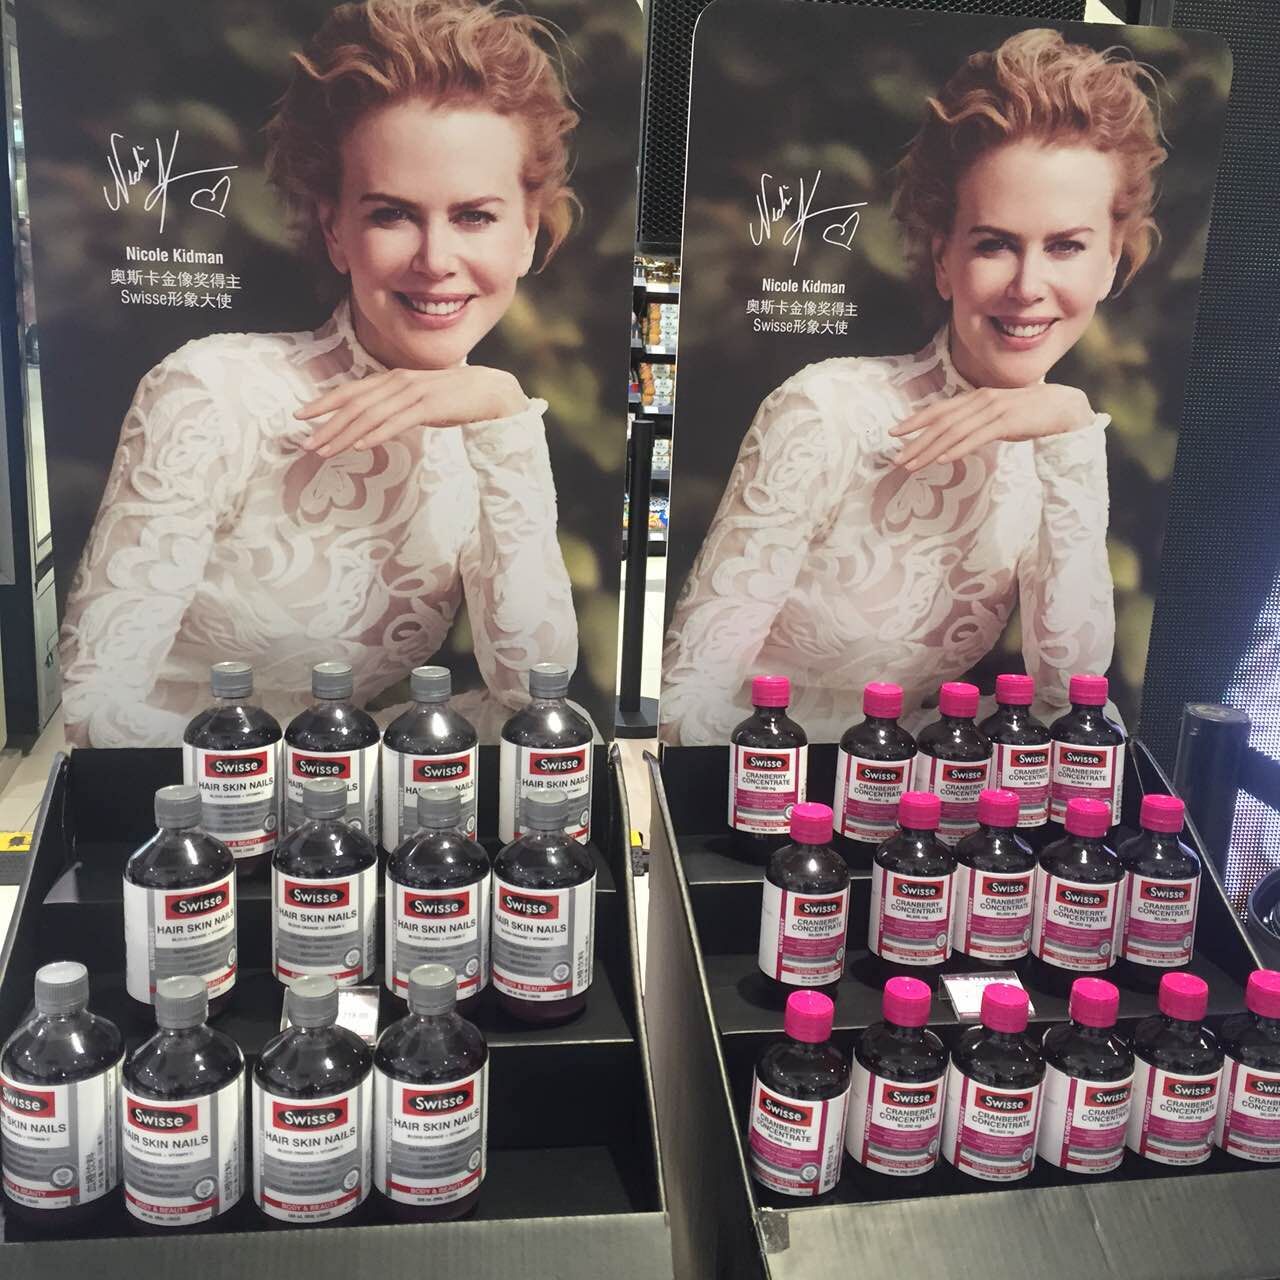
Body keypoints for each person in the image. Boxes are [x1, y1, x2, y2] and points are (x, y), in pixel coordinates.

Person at [59, 0, 580, 746]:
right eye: (391, 214)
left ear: (527, 232)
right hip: (181, 789)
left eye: (474, 216)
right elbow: (89, 710)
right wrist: (312, 777)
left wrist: (504, 416)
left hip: (337, 788)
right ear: (335, 229)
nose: (436, 260)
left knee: (560, 730)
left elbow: (534, 697)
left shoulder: (486, 427)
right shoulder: (214, 391)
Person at [660, 29, 1167, 746]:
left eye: (1066, 246)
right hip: (756, 784)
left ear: (1112, 261)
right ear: (942, 259)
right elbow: (682, 706)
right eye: (994, 244)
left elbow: (1071, 705)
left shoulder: (1059, 443)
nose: (1028, 286)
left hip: (911, 793)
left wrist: (1071, 430)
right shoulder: (826, 412)